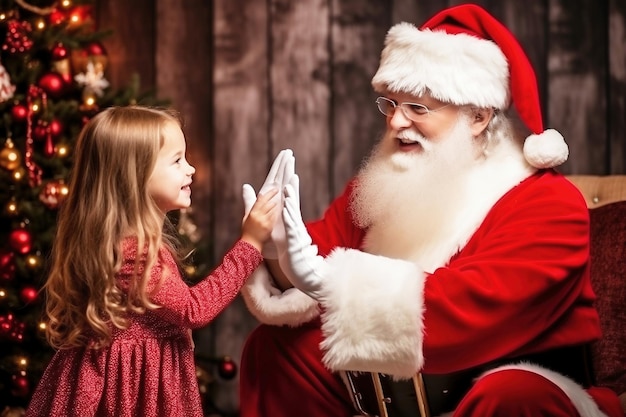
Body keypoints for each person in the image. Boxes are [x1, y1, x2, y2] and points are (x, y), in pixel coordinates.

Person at [239, 4, 623, 417]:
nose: (396, 122)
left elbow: (468, 311)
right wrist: (276, 252)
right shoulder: (384, 186)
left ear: (478, 116)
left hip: (516, 378)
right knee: (277, 350)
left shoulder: (548, 203)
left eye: (418, 108)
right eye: (390, 103)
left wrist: (326, 278)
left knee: (511, 395)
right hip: (401, 388)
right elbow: (318, 245)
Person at [24, 106, 283, 417]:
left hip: (149, 374)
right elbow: (194, 309)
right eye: (177, 161)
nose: (191, 169)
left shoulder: (138, 244)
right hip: (129, 388)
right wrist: (250, 243)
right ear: (134, 177)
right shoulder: (131, 253)